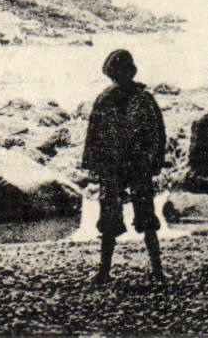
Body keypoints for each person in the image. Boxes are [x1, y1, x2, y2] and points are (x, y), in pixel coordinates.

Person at [81, 48, 169, 284]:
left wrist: (156, 160)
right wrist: (93, 164)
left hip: (136, 166)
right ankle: (105, 271)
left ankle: (155, 270)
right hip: (114, 167)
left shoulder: (142, 99)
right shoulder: (108, 99)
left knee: (146, 216)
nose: (118, 77)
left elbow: (158, 133)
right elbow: (94, 134)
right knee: (111, 218)